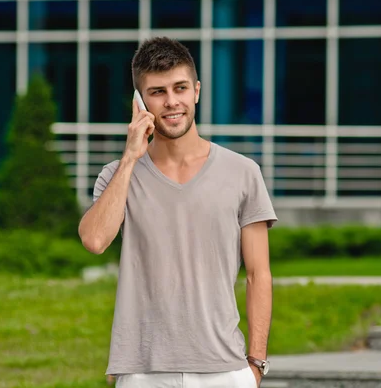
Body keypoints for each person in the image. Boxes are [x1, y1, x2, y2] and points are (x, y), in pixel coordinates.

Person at [78, 36, 277, 388]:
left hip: (224, 370)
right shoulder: (116, 176)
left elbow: (259, 274)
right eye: (157, 92)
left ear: (196, 91)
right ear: (139, 102)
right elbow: (94, 240)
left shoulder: (243, 172)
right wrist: (130, 158)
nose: (172, 102)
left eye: (180, 88)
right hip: (143, 371)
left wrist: (256, 365)